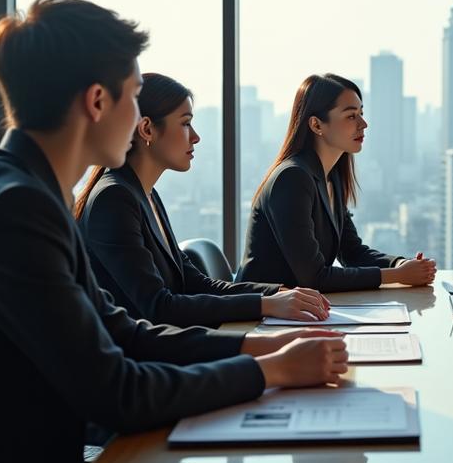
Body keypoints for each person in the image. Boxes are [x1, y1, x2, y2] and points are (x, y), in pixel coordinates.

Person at [0, 0, 347, 463]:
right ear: (98, 101)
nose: (139, 116)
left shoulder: (28, 193)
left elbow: (124, 333)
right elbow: (117, 392)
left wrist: (261, 349)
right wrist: (272, 372)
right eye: (136, 96)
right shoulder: (13, 211)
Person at [76, 72, 330, 326]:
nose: (195, 136)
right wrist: (266, 304)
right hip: (143, 349)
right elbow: (159, 307)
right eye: (185, 123)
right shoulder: (114, 199)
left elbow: (195, 283)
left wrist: (276, 293)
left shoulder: (145, 194)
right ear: (147, 129)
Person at [236, 73, 436, 292]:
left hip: (300, 305)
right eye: (351, 116)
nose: (363, 124)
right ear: (316, 125)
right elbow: (315, 278)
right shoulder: (292, 179)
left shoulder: (331, 177)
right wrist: (397, 276)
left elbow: (352, 252)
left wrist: (400, 264)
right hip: (263, 308)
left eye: (361, 113)